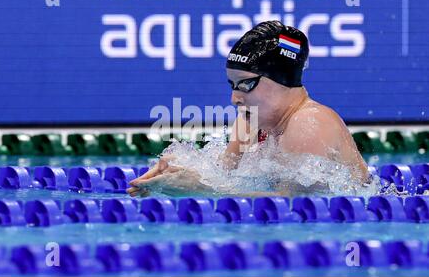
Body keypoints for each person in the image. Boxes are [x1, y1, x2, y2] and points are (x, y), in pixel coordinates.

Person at [127, 20, 369, 197]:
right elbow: (225, 175)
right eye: (233, 85)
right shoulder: (250, 121)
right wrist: (177, 173)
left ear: (282, 79)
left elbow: (291, 205)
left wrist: (199, 189)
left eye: (246, 84)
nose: (235, 98)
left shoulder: (309, 123)